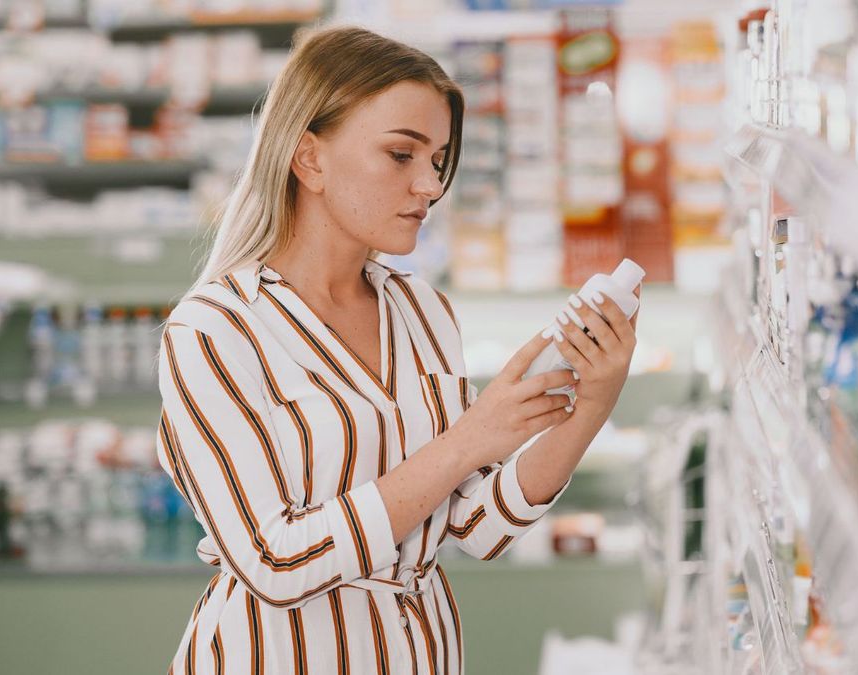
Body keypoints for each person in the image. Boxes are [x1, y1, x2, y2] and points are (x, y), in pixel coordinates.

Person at [156, 25, 639, 674]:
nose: (431, 186)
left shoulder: (423, 310)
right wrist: (469, 438)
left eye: (438, 159)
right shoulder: (213, 331)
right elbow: (275, 560)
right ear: (309, 158)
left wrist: (593, 400)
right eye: (401, 155)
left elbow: (478, 524)